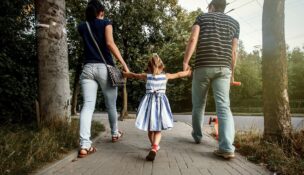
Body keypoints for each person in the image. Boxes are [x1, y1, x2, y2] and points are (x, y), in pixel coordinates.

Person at [182, 0, 240, 159]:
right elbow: (234, 52)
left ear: (212, 6)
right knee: (223, 106)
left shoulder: (202, 18)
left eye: (209, 7)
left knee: (199, 104)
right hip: (224, 68)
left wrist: (186, 62)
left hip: (203, 66)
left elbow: (193, 39)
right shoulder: (235, 23)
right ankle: (227, 147)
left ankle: (198, 136)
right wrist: (232, 73)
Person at [77, 0, 130, 158]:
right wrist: (124, 65)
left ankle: (84, 145)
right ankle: (115, 133)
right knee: (111, 105)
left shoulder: (81, 26)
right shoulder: (106, 23)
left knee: (87, 107)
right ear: (101, 11)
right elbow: (110, 43)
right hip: (104, 68)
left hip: (87, 69)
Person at [123, 54, 191, 161]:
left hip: (149, 105)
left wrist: (125, 74)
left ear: (149, 67)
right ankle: (155, 148)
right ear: (162, 66)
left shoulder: (147, 76)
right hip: (160, 104)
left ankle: (153, 146)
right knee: (158, 128)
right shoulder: (166, 76)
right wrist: (188, 72)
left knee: (150, 129)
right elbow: (178, 74)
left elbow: (134, 75)